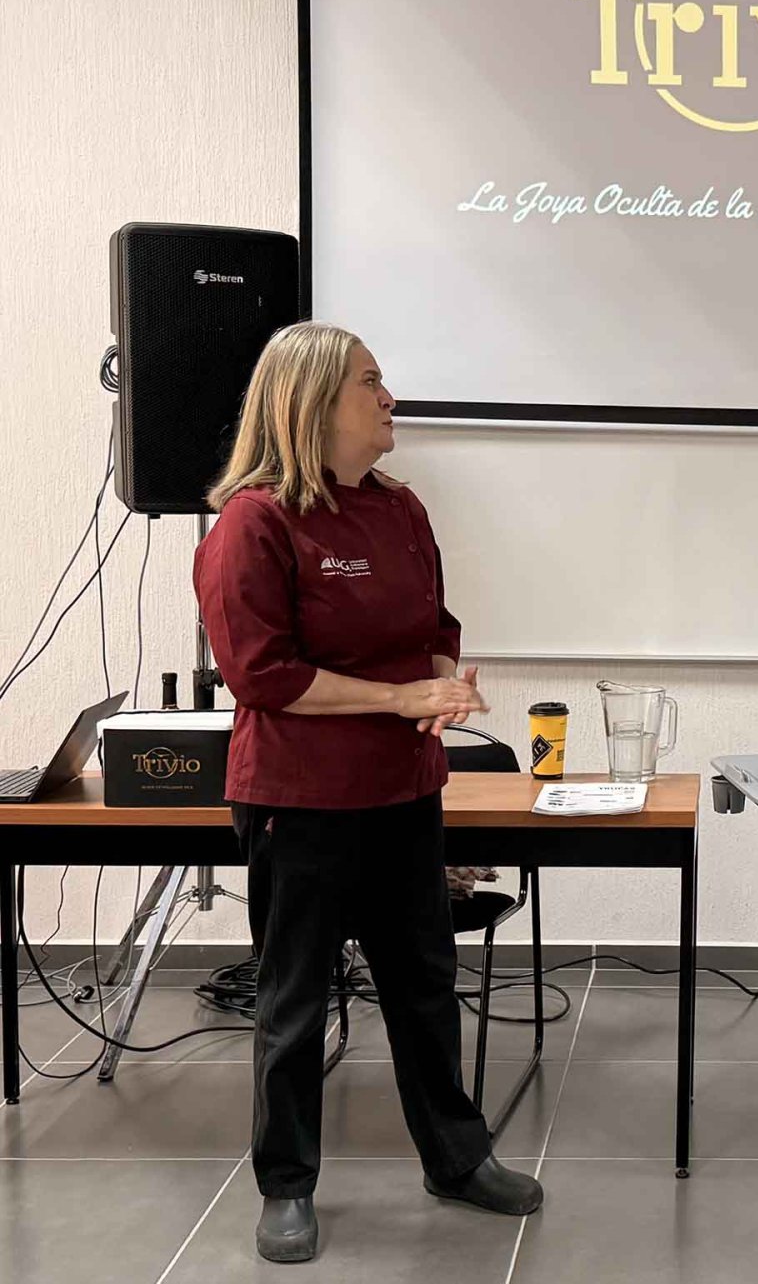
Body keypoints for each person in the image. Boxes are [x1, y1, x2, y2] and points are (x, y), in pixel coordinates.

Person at [194, 322, 543, 1264]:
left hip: (403, 791)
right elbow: (263, 674)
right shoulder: (253, 522)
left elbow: (437, 626)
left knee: (424, 985)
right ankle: (287, 1185)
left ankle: (457, 1159)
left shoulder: (400, 507)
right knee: (295, 1000)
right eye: (370, 381)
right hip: (299, 800)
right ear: (310, 401)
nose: (389, 397)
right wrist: (400, 698)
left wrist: (446, 685)